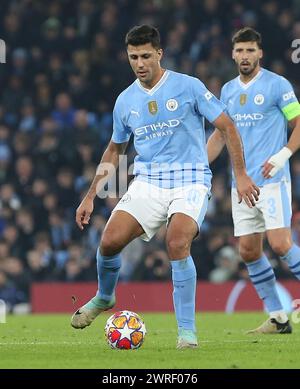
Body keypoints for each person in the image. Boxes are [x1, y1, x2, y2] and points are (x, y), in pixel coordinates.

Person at [71, 25, 259, 348]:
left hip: (190, 180)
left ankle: (187, 333)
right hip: (148, 182)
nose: (140, 63)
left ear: (159, 53)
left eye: (146, 55)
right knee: (109, 241)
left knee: (176, 242)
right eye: (133, 57)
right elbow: (115, 149)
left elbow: (227, 126)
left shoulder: (188, 87)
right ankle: (105, 297)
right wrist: (91, 195)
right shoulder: (125, 101)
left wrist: (240, 174)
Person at [207, 27, 300, 334]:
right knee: (248, 250)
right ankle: (278, 317)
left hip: (272, 180)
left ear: (260, 53)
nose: (245, 56)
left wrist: (284, 154)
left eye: (250, 50)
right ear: (233, 54)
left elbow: (299, 123)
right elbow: (221, 135)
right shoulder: (229, 91)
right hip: (241, 184)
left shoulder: (277, 85)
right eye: (240, 51)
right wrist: (195, 167)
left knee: (281, 243)